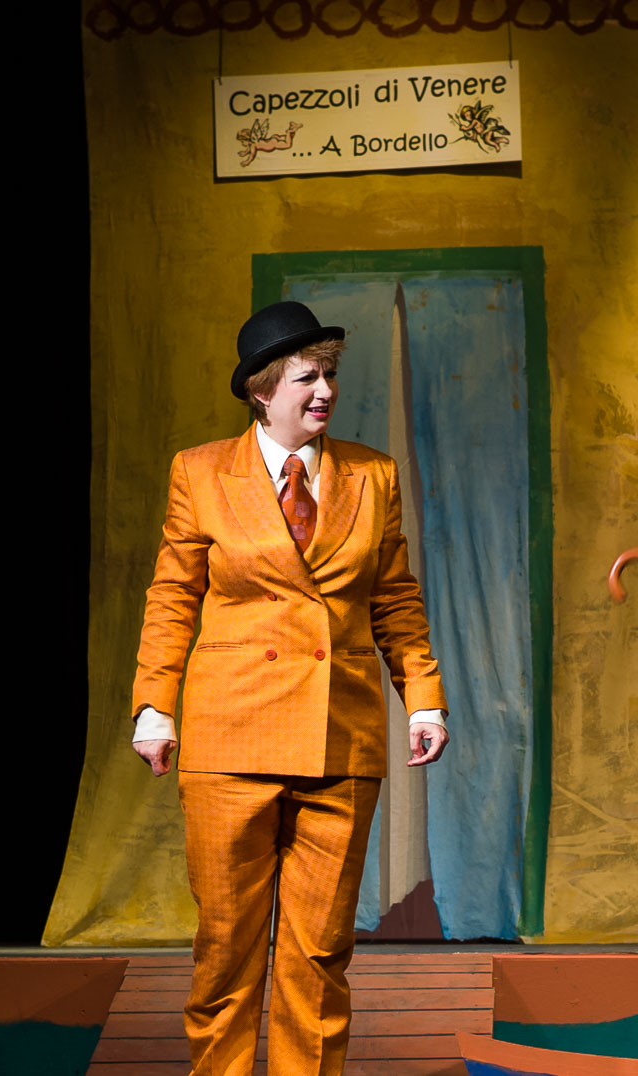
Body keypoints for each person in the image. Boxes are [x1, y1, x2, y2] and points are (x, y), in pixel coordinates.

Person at [130, 299, 450, 1075]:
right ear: (261, 389)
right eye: (307, 377)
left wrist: (424, 695)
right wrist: (154, 706)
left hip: (339, 740)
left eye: (330, 374)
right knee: (226, 948)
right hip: (229, 740)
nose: (325, 391)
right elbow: (173, 597)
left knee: (319, 952)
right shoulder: (201, 472)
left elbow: (395, 598)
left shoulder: (372, 475)